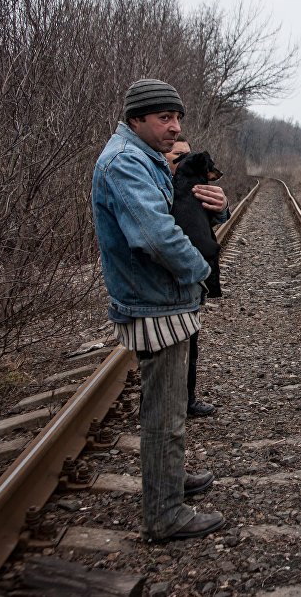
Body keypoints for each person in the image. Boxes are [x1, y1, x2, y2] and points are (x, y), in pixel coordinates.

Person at [92, 79, 226, 541]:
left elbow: (183, 211)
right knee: (165, 412)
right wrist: (200, 270)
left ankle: (169, 480)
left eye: (177, 118)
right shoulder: (126, 163)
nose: (175, 128)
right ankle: (164, 513)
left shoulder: (143, 157)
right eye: (164, 118)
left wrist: (220, 209)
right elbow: (156, 236)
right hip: (156, 304)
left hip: (162, 300)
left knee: (167, 405)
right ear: (135, 120)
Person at [165, 135, 226, 418]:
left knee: (191, 341)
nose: (184, 160)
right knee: (166, 349)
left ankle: (187, 400)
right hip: (168, 280)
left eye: (187, 155)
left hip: (190, 281)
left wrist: (222, 208)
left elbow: (206, 219)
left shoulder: (192, 185)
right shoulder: (154, 184)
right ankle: (164, 404)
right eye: (177, 156)